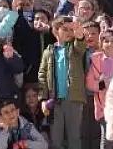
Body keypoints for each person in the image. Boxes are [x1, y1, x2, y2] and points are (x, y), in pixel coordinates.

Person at [38, 15, 88, 149]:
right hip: (54, 101)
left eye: (71, 30)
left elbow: (81, 45)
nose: (69, 33)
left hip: (74, 99)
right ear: (55, 31)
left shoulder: (75, 48)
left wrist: (79, 34)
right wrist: (43, 99)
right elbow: (42, 76)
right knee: (56, 138)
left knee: (74, 137)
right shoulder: (48, 52)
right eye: (65, 29)